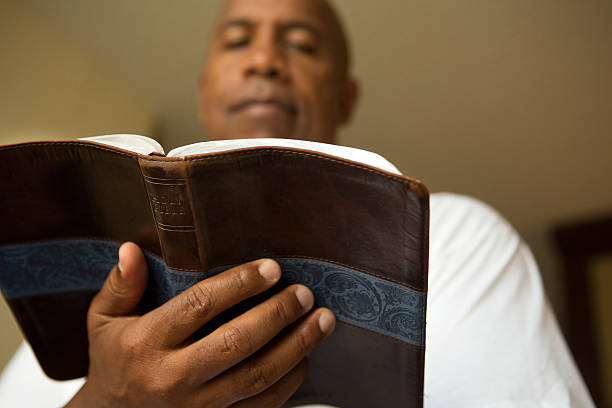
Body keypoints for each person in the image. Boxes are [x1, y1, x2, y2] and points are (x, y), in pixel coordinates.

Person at [0, 0, 595, 407]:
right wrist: (103, 399)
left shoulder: (457, 238)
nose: (264, 61)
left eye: (302, 44)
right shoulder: (79, 320)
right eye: (237, 42)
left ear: (345, 95)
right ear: (205, 88)